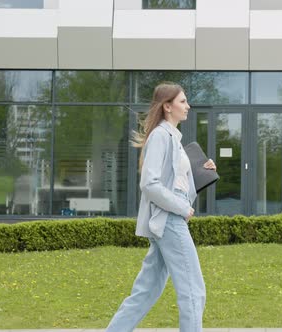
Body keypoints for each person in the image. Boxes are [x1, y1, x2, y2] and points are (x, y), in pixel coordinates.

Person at [105, 82, 216, 332]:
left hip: (165, 220)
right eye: (183, 101)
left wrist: (201, 171)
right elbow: (150, 184)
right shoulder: (160, 136)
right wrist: (182, 208)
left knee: (146, 292)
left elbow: (175, 182)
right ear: (167, 106)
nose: (188, 106)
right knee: (193, 292)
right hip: (170, 220)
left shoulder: (174, 139)